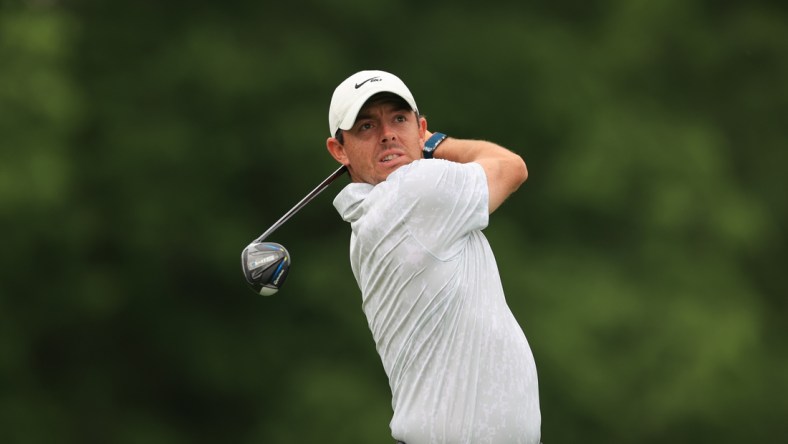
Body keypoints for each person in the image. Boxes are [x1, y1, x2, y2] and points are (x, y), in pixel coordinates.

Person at [325, 70, 541, 444]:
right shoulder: (414, 192)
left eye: (399, 118)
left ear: (416, 125)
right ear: (338, 150)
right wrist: (436, 142)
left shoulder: (372, 219)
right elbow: (511, 167)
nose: (387, 133)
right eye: (365, 126)